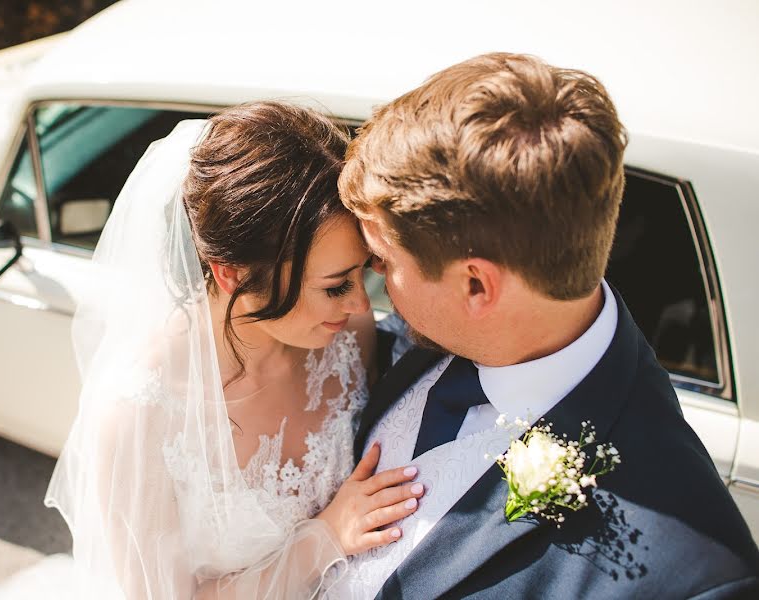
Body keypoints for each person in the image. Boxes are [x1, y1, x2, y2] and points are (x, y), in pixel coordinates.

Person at [325, 53, 759, 598]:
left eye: (384, 262)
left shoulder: (693, 578)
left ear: (476, 286)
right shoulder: (425, 340)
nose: (373, 280)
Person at [31, 102, 427, 599]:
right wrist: (325, 538)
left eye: (359, 275)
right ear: (232, 273)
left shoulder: (345, 335)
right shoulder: (139, 411)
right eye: (333, 286)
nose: (358, 304)